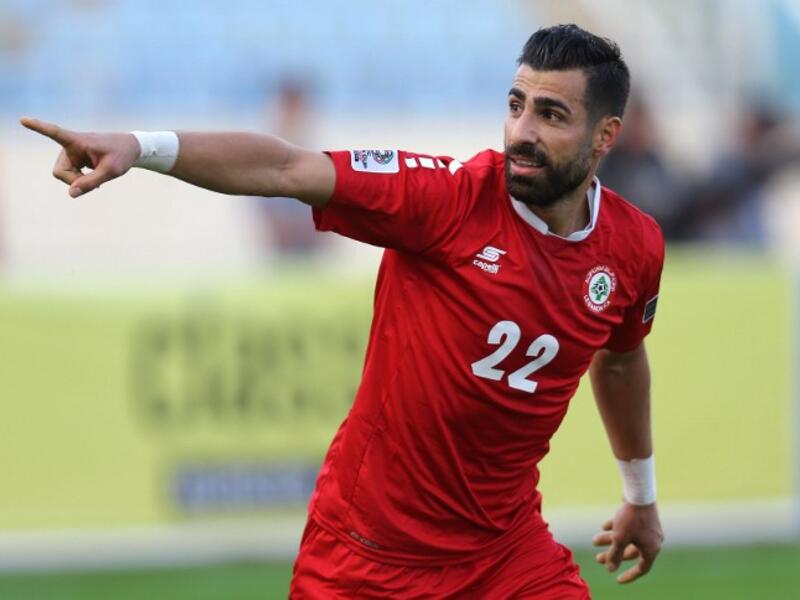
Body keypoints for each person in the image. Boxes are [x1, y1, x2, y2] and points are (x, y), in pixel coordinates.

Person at [22, 23, 664, 599]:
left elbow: (620, 361)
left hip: (504, 556)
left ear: (605, 136)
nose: (523, 131)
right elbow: (284, 166)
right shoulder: (445, 200)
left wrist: (640, 495)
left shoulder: (634, 248)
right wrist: (140, 146)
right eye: (516, 106)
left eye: (551, 114)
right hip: (367, 557)